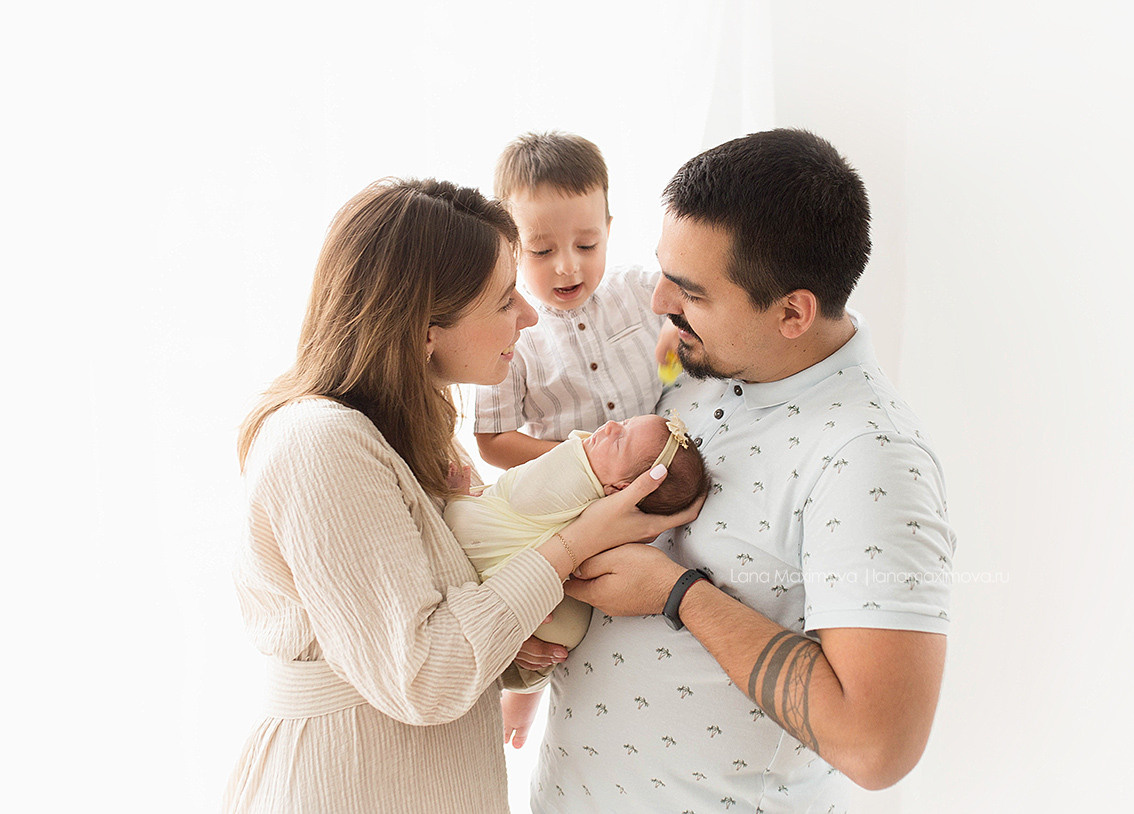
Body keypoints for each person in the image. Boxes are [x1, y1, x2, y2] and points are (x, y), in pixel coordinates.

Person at [221, 178, 700, 814]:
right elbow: (422, 676)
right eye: (505, 301)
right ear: (424, 328)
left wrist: (513, 647)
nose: (530, 316)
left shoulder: (412, 437)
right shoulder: (320, 444)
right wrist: (578, 540)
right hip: (347, 786)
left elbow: (430, 621)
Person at [529, 129, 956, 813]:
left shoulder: (868, 458)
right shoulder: (693, 359)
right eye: (663, 270)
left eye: (690, 291)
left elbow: (879, 747)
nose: (657, 303)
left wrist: (677, 595)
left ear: (793, 312)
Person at [445, 411, 708, 747]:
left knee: (466, 519)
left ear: (624, 488)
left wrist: (458, 499)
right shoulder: (620, 513)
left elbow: (521, 490)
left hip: (495, 573)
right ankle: (523, 703)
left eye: (620, 440)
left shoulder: (571, 477)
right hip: (562, 622)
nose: (610, 426)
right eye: (625, 423)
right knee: (549, 640)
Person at [474, 131, 677, 469]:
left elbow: (694, 287)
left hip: (660, 465)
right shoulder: (508, 336)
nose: (568, 267)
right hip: (573, 488)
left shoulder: (637, 289)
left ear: (607, 233)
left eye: (586, 246)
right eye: (542, 251)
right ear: (512, 247)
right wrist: (585, 460)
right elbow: (493, 441)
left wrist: (677, 323)